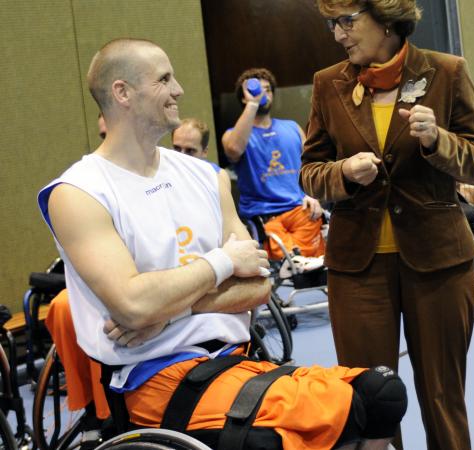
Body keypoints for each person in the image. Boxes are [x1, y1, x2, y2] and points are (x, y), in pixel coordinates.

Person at [38, 38, 406, 450]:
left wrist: (173, 310)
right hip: (157, 378)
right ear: (122, 92)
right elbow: (133, 305)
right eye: (164, 79)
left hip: (239, 359)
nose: (178, 89)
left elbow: (260, 286)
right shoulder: (77, 192)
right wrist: (222, 262)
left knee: (382, 395)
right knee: (331, 420)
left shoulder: (205, 176)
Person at [301, 2, 474, 448]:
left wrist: (437, 140)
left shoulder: (446, 72)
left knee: (443, 396)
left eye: (347, 21)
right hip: (358, 269)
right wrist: (343, 173)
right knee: (370, 398)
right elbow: (310, 172)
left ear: (385, 19)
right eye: (332, 24)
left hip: (439, 263)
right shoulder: (327, 83)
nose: (337, 34)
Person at [222, 68, 325, 262]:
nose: (263, 94)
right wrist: (253, 103)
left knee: (312, 264)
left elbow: (310, 165)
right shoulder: (233, 135)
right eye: (256, 90)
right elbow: (234, 149)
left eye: (267, 89)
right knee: (290, 263)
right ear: (244, 97)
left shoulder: (292, 128)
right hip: (265, 217)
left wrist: (312, 195)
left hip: (300, 210)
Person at [172, 117, 232, 189]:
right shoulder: (162, 172)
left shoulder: (218, 176)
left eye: (190, 151)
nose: (181, 156)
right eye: (177, 148)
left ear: (204, 152)